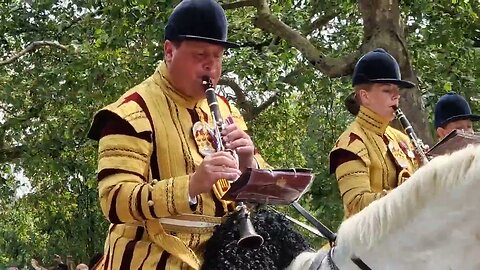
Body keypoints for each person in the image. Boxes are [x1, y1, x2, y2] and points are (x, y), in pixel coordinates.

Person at [87, 0, 267, 269]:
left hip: (220, 258)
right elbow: (114, 201)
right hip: (148, 259)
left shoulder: (228, 110)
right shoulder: (131, 111)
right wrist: (192, 185)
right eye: (200, 55)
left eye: (217, 56)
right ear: (169, 51)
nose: (211, 68)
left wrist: (248, 165)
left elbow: (265, 195)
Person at [329, 48, 419, 219]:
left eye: (397, 91)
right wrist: (409, 194)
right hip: (367, 242)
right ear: (365, 96)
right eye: (387, 90)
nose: (396, 97)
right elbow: (356, 205)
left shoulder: (403, 139)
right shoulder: (350, 143)